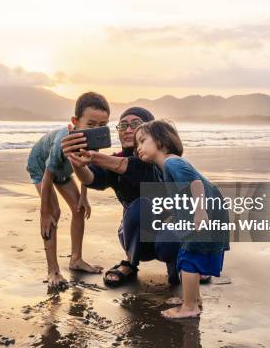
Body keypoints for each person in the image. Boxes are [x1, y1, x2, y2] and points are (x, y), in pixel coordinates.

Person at [62, 107, 182, 287]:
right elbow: (91, 177)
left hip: (169, 237)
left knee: (170, 227)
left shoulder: (163, 160)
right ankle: (130, 263)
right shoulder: (112, 161)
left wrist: (93, 156)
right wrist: (76, 161)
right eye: (123, 125)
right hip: (134, 237)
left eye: (135, 124)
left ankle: (178, 268)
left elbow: (130, 166)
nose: (127, 130)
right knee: (139, 207)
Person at [133, 120, 230, 319]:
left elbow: (195, 184)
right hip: (208, 210)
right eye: (137, 144)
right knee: (190, 255)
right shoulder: (169, 165)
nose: (138, 148)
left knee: (189, 260)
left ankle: (189, 307)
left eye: (142, 141)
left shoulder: (172, 162)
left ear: (161, 141)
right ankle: (193, 299)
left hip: (205, 212)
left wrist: (200, 212)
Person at [26, 92, 110, 287]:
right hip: (41, 168)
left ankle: (76, 259)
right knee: (53, 212)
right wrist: (44, 211)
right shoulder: (63, 141)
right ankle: (53, 270)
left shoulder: (92, 140)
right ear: (76, 121)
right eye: (90, 124)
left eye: (102, 125)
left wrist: (84, 197)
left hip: (64, 172)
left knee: (79, 208)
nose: (96, 130)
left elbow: (84, 168)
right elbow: (48, 174)